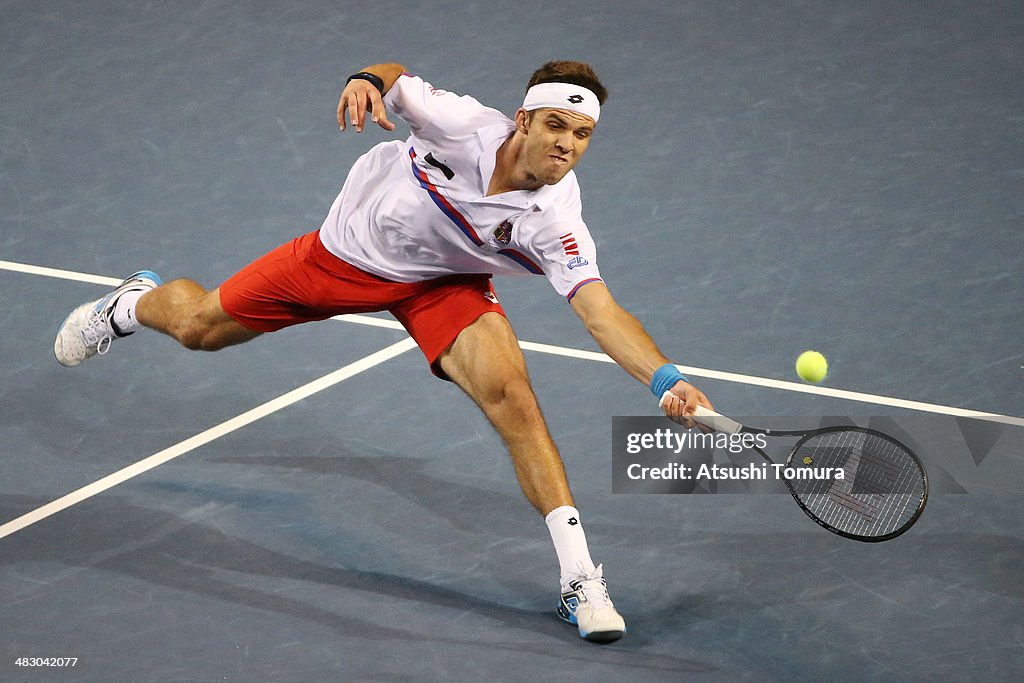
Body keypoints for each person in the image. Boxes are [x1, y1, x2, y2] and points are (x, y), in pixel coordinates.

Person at [53, 60, 712, 644]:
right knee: (199, 327)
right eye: (555, 127)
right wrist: (368, 81)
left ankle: (579, 578)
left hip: (442, 283)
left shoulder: (557, 219)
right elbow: (394, 77)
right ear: (523, 121)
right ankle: (129, 305)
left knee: (514, 399)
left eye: (581, 135)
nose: (566, 145)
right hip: (344, 255)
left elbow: (599, 311)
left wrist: (663, 379)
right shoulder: (461, 126)